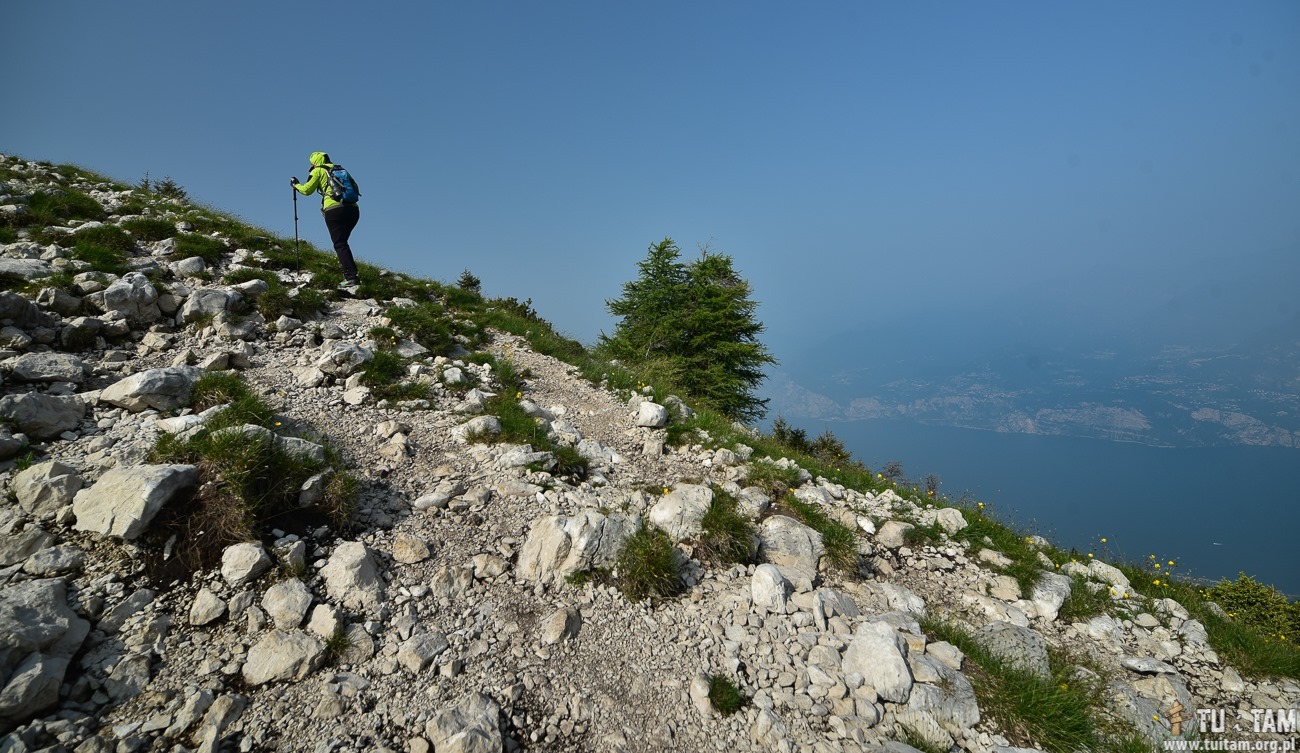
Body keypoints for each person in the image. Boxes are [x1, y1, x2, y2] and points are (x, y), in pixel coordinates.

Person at [291, 152, 360, 288]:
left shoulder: (318, 170)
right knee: (342, 243)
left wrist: (296, 185)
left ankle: (351, 277)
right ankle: (351, 274)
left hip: (334, 210)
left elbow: (307, 190)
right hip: (353, 209)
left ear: (315, 162)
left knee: (340, 244)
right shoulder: (341, 170)